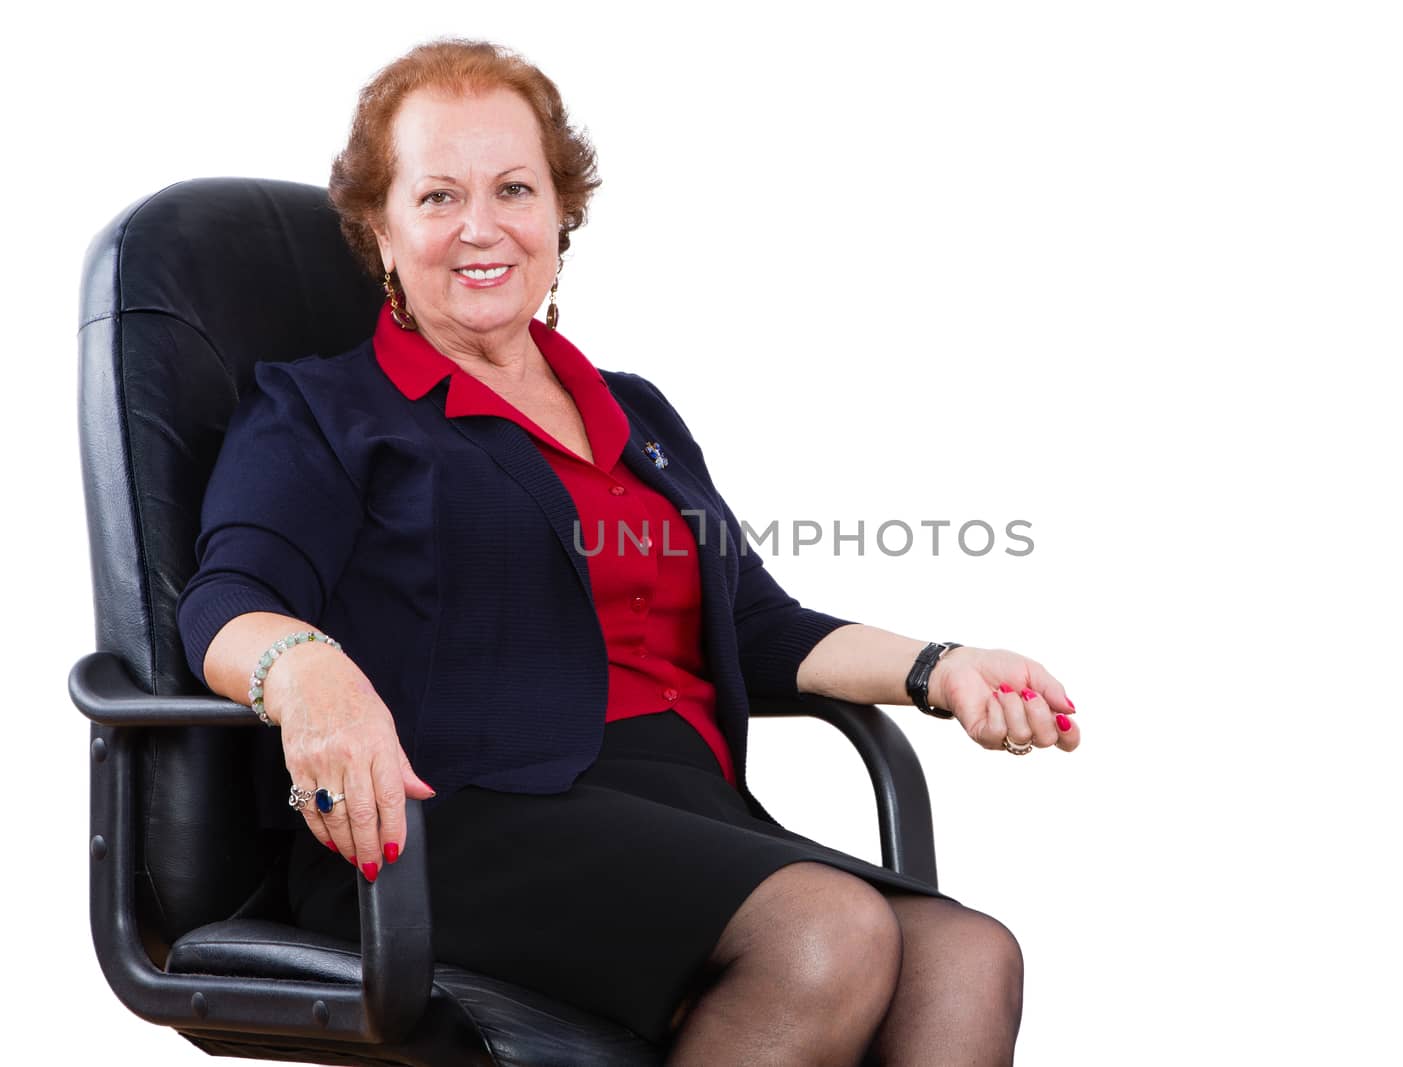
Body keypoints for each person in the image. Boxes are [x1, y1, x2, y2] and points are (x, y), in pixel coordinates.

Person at [176, 36, 1080, 1065]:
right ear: (378, 229)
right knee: (826, 930)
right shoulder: (326, 411)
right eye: (436, 197)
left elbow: (755, 623)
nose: (481, 227)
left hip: (677, 810)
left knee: (967, 955)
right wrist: (305, 671)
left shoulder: (632, 413)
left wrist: (940, 666)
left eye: (514, 188)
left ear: (560, 212)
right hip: (454, 816)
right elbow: (227, 599)